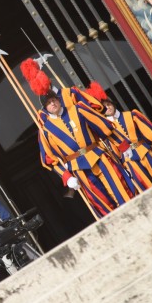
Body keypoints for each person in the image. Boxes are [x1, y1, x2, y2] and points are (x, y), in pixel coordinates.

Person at [37, 91, 135, 219]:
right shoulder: (45, 131)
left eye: (53, 100)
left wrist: (122, 145)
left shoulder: (78, 109)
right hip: (78, 168)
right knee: (101, 202)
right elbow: (50, 161)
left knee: (120, 189)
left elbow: (103, 127)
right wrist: (66, 176)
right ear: (45, 108)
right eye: (48, 103)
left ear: (59, 99)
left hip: (98, 156)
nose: (52, 104)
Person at [102, 97, 152, 188]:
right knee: (147, 189)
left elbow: (150, 133)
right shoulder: (107, 129)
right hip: (130, 161)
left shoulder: (131, 115)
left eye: (108, 104)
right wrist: (124, 168)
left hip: (146, 152)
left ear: (112, 104)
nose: (108, 108)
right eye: (104, 107)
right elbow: (115, 153)